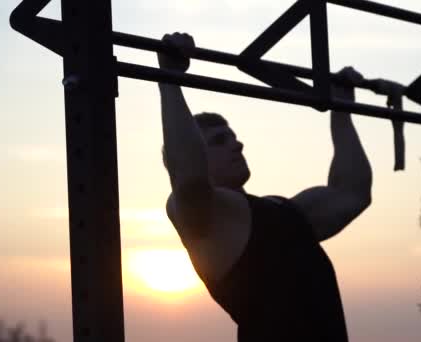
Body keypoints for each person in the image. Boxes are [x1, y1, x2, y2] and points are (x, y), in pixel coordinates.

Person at [158, 32, 373, 342]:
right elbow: (189, 178)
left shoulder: (283, 211)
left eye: (234, 136)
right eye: (220, 140)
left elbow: (352, 193)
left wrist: (342, 110)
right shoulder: (205, 223)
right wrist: (169, 79)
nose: (237, 144)